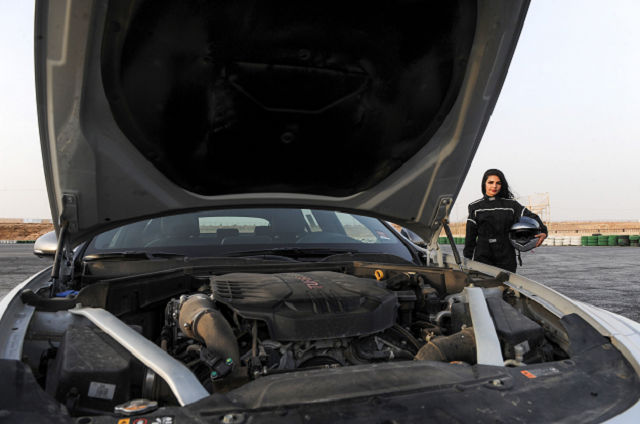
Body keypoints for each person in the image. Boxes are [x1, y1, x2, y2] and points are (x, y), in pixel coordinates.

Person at [463, 169, 547, 273]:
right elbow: (470, 235)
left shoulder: (511, 205)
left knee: (505, 288)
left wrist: (544, 232)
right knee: (483, 287)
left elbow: (532, 216)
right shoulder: (475, 207)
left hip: (506, 254)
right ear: (484, 183)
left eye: (498, 183)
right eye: (490, 182)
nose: (494, 186)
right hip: (483, 254)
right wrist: (466, 259)